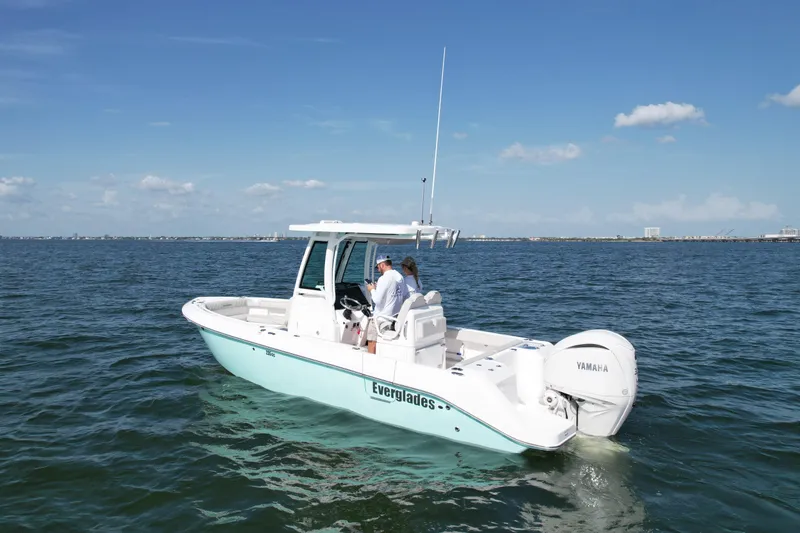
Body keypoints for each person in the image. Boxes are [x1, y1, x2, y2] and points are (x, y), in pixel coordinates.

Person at [365, 254, 407, 354]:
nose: (378, 269)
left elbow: (377, 300)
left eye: (378, 267)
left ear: (382, 265)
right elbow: (402, 295)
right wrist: (378, 288)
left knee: (371, 340)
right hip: (394, 317)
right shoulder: (399, 276)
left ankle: (370, 359)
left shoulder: (384, 278)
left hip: (381, 319)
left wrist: (372, 289)